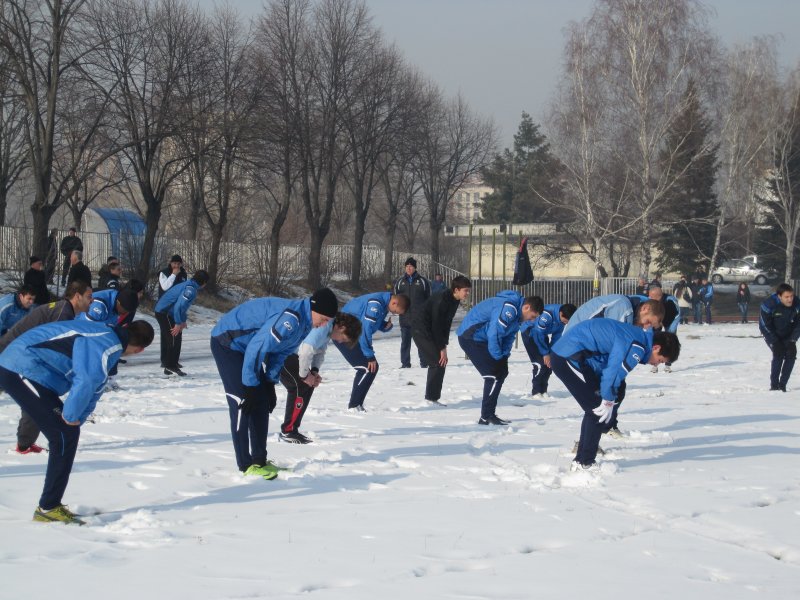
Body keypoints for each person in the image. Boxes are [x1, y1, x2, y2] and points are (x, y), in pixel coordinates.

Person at [0, 319, 154, 524]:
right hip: (20, 366)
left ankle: (50, 505)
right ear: (140, 350)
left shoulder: (110, 338)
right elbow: (87, 380)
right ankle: (48, 508)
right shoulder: (106, 343)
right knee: (63, 435)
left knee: (67, 432)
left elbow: (96, 387)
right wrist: (70, 417)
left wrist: (77, 419)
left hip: (31, 369)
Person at [210, 288, 339, 479]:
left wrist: (270, 382)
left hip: (248, 348)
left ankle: (259, 461)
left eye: (329, 320)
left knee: (261, 402)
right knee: (242, 401)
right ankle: (245, 466)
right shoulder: (291, 319)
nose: (325, 323)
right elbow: (257, 347)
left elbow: (280, 353)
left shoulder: (305, 324)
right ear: (314, 308)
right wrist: (250, 386)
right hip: (227, 342)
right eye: (324, 318)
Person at [551, 320, 680, 472]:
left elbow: (606, 361)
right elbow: (614, 372)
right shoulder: (637, 347)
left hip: (572, 355)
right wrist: (607, 399)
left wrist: (606, 394)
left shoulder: (638, 337)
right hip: (567, 356)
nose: (655, 365)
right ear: (656, 347)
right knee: (598, 409)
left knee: (596, 409)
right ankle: (584, 463)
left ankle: (582, 460)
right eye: (659, 360)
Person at [0, 281, 93, 455]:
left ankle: (24, 445)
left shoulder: (64, 309)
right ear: (77, 296)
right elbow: (56, 347)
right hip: (11, 355)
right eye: (89, 297)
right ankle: (25, 444)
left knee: (36, 398)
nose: (92, 301)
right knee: (38, 396)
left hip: (21, 357)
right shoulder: (62, 313)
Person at [457, 291, 544, 425]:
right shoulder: (509, 308)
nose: (532, 320)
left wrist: (504, 354)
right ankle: (485, 417)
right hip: (470, 337)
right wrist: (498, 356)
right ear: (526, 307)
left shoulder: (518, 316)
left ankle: (490, 414)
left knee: (502, 372)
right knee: (492, 374)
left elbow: (509, 336)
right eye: (532, 316)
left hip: (484, 339)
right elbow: (495, 333)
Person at [278, 312, 362, 443]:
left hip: (292, 355)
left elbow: (320, 351)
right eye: (344, 339)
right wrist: (305, 376)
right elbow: (306, 350)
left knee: (308, 384)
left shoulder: (329, 330)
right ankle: (288, 431)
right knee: (301, 385)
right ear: (342, 327)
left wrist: (314, 372)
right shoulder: (325, 325)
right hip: (281, 353)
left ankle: (292, 429)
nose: (340, 341)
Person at [332, 291, 410, 411]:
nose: (393, 313)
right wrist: (369, 355)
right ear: (394, 302)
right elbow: (365, 329)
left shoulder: (383, 303)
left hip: (351, 334)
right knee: (367, 367)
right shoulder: (376, 304)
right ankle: (354, 406)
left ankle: (357, 405)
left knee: (370, 368)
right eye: (395, 312)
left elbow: (369, 321)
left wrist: (384, 326)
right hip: (341, 335)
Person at [411, 275, 472, 405]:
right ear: (456, 290)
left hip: (430, 330)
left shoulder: (454, 300)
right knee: (437, 362)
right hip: (421, 330)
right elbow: (437, 325)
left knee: (440, 362)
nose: (467, 293)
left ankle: (432, 397)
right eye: (465, 290)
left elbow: (446, 323)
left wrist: (445, 343)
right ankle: (431, 399)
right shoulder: (442, 300)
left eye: (468, 290)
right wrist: (442, 348)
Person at [154, 270, 209, 376]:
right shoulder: (190, 289)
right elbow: (179, 306)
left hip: (168, 312)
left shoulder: (190, 285)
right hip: (164, 312)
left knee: (176, 336)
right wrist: (178, 323)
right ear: (203, 282)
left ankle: (172, 364)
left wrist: (182, 321)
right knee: (173, 337)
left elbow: (182, 307)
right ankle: (169, 366)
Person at [521, 302, 577, 399]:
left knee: (549, 364)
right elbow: (538, 334)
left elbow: (556, 337)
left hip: (542, 335)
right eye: (566, 321)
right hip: (530, 333)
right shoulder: (546, 315)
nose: (566, 323)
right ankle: (536, 391)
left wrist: (551, 353)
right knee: (539, 363)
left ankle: (543, 390)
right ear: (561, 314)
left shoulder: (562, 320)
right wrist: (545, 353)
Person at [759, 283, 800, 392]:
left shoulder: (797, 303)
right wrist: (774, 341)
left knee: (791, 355)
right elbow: (764, 325)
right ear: (779, 296)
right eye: (786, 297)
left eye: (791, 296)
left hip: (788, 334)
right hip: (771, 333)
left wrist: (793, 340)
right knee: (779, 354)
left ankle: (782, 385)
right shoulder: (768, 305)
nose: (790, 299)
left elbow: (798, 324)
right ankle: (774, 385)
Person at [393, 256, 431, 368]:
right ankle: (405, 363)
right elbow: (395, 299)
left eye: (411, 266)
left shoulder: (423, 281)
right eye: (407, 266)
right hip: (404, 318)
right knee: (405, 342)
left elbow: (429, 299)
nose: (409, 268)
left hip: (419, 319)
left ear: (415, 268)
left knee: (421, 342)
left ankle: (424, 363)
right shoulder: (400, 282)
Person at [562, 294, 664, 334]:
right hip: (573, 342)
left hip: (580, 344)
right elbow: (614, 339)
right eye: (648, 322)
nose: (646, 327)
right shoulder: (623, 306)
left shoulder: (629, 312)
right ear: (645, 308)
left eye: (651, 327)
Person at [648, 283, 680, 373]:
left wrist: (660, 324)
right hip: (659, 320)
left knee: (669, 341)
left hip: (672, 320)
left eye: (651, 296)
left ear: (657, 296)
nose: (649, 298)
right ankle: (655, 363)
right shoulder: (653, 302)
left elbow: (671, 317)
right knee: (655, 341)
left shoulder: (669, 302)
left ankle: (668, 364)